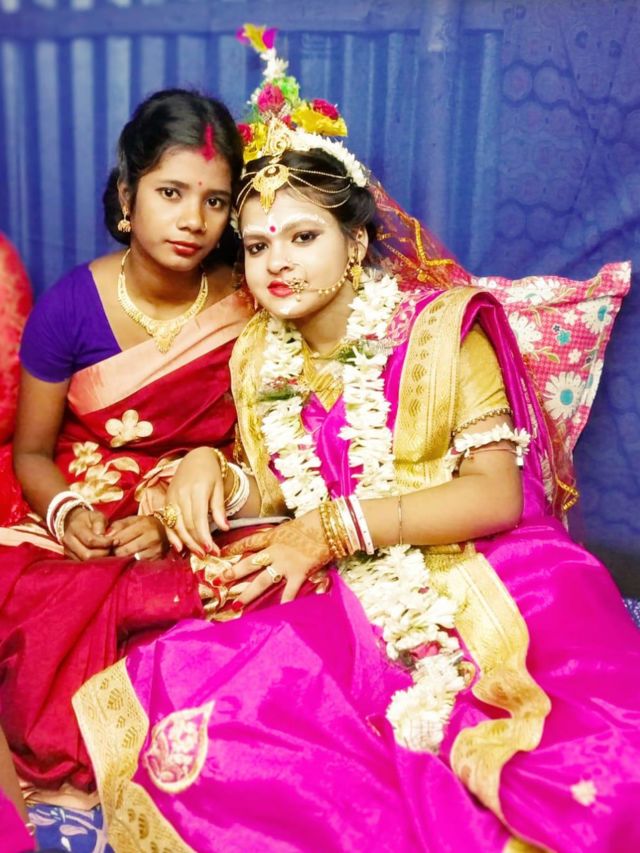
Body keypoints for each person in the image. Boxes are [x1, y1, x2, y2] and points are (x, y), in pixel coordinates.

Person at [74, 30, 640, 852]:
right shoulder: (259, 354)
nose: (276, 263)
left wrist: (334, 529)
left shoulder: (442, 329)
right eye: (257, 245)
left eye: (303, 237)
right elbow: (286, 483)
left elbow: (494, 495)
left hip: (496, 572)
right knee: (202, 712)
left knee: (560, 763)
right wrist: (211, 471)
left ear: (359, 243)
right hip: (355, 587)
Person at [0, 88, 254, 800]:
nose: (193, 219)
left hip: (201, 504)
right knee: (47, 598)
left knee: (240, 598)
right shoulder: (71, 306)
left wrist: (171, 515)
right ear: (125, 195)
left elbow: (261, 447)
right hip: (80, 497)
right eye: (171, 192)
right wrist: (70, 515)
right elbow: (30, 452)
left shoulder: (251, 302)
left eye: (214, 200)